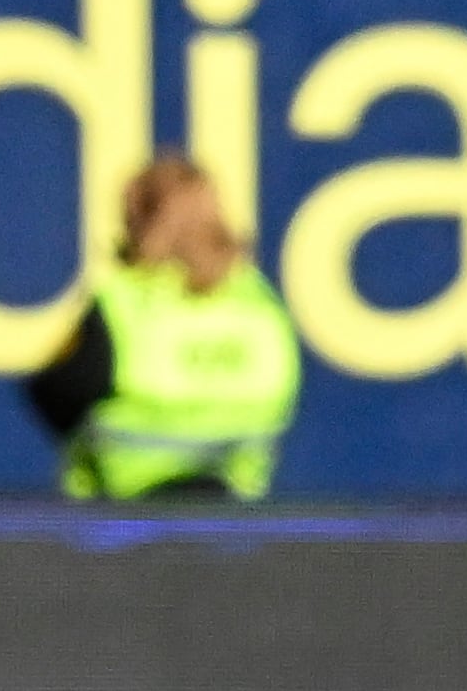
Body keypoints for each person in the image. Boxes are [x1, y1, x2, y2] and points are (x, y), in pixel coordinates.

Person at [21, 153, 301, 498]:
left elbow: (55, 393)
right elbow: (282, 399)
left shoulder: (126, 303)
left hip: (127, 518)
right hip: (234, 522)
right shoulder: (259, 303)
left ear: (138, 218)